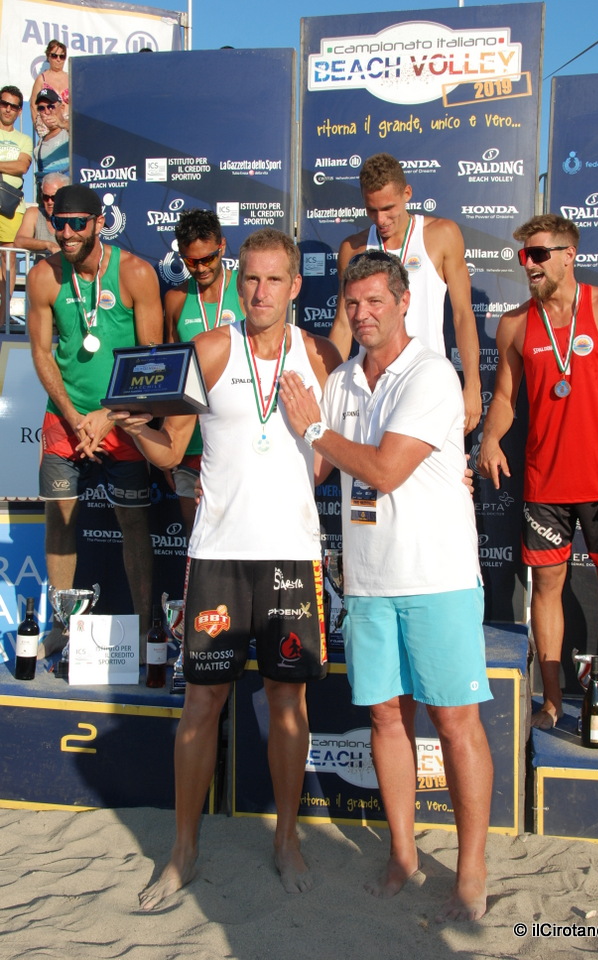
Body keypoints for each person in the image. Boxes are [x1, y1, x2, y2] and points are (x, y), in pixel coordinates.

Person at [108, 228, 342, 910]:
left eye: (274, 280)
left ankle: (287, 840)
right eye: (251, 280)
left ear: (295, 286)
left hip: (291, 555)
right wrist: (132, 426)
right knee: (201, 704)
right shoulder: (210, 349)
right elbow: (170, 450)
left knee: (288, 704)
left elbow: (332, 457)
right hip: (217, 555)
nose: (260, 292)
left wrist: (311, 448)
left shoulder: (321, 356)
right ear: (239, 284)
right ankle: (182, 852)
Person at [280, 250, 493, 922]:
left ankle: (471, 869)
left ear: (403, 302)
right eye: (353, 303)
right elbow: (314, 467)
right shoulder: (342, 380)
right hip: (369, 581)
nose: (363, 313)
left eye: (375, 300)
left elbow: (382, 471)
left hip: (437, 577)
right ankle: (402, 854)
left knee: (454, 723)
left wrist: (313, 427)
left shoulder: (431, 373)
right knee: (385, 719)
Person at [477, 214, 598, 729]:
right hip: (545, 482)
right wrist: (490, 437)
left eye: (538, 254)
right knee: (546, 586)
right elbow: (505, 398)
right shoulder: (515, 323)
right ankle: (550, 701)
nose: (528, 264)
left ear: (569, 255)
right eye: (523, 255)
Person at [27, 184, 163, 655]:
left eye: (77, 224)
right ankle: (62, 627)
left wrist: (109, 414)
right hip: (64, 419)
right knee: (60, 520)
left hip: (122, 419)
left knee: (134, 524)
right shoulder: (43, 276)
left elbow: (150, 359)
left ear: (98, 224)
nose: (66, 233)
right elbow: (41, 354)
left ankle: (144, 632)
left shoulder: (136, 273)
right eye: (58, 223)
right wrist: (73, 416)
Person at [329, 152, 482, 435]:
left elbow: (462, 315)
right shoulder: (353, 248)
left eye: (389, 208)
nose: (381, 219)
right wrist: (329, 390)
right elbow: (342, 324)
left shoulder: (442, 234)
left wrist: (472, 385)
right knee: (368, 463)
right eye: (372, 210)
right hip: (370, 387)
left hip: (428, 382)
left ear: (407, 193)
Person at [164, 208, 244, 535]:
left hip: (238, 434)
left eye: (208, 258)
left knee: (238, 531)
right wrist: (168, 445)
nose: (200, 268)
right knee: (195, 531)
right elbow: (170, 375)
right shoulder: (175, 299)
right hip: (191, 439)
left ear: (222, 246)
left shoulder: (247, 289)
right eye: (191, 261)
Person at [0, 85, 32, 305]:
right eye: (4, 103)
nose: (8, 109)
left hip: (10, 205)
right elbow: (16, 165)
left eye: (14, 106)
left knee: (8, 258)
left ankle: (3, 314)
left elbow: (22, 166)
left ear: (20, 111)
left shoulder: (24, 139)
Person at [15, 172, 69, 261]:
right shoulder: (34, 213)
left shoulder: (73, 218)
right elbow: (19, 241)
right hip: (42, 269)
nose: (50, 202)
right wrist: (48, 245)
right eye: (45, 197)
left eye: (54, 197)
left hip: (67, 269)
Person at [33, 89, 69, 199]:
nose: (47, 112)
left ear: (62, 108)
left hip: (68, 197)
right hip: (48, 200)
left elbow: (86, 135)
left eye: (50, 107)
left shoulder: (69, 132)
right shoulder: (40, 144)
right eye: (41, 108)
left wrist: (62, 124)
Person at [30, 40, 69, 133]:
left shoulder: (71, 78)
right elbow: (33, 106)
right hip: (47, 127)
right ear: (48, 56)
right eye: (54, 56)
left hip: (67, 127)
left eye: (62, 56)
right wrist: (40, 128)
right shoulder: (41, 79)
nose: (58, 59)